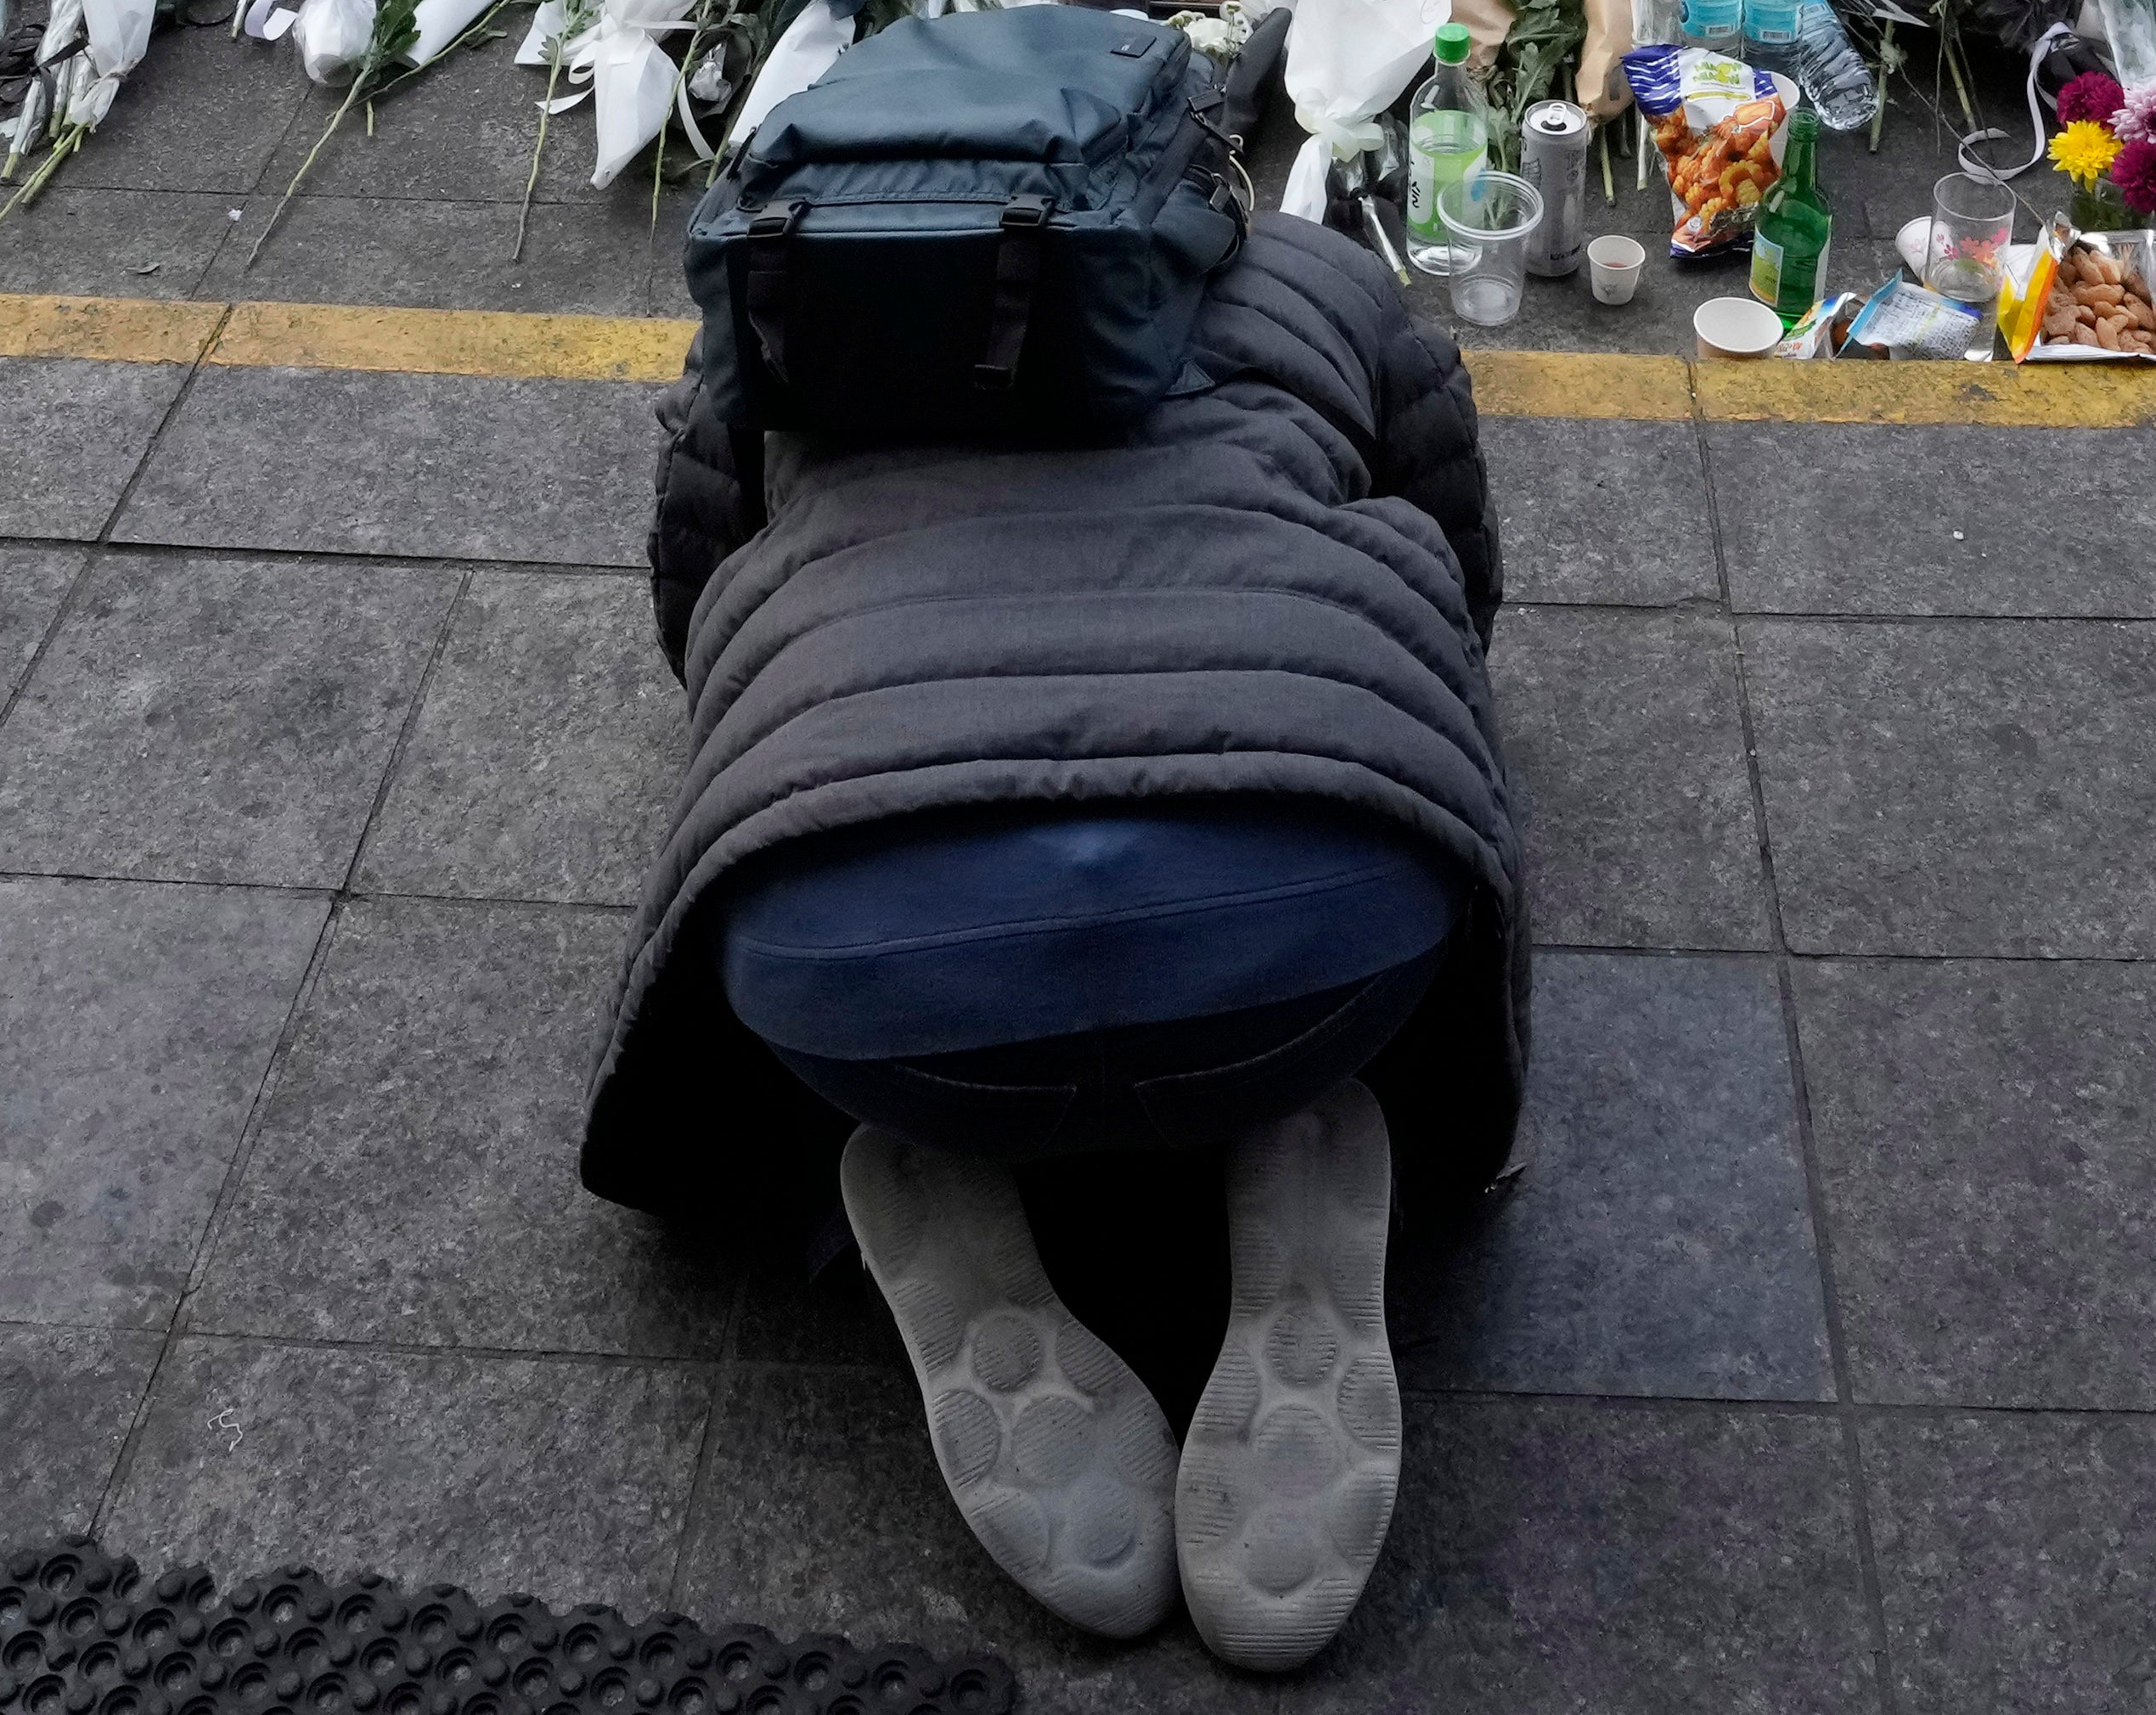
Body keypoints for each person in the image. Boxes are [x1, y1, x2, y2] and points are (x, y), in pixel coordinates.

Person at [588, 160, 1517, 1675]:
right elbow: (1458, 558)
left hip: (854, 970)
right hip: (1322, 931)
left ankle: (922, 1172)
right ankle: (1285, 1136)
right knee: (1371, 701)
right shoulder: (1317, 270)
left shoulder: (795, 290)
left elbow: (696, 595)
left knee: (830, 830)